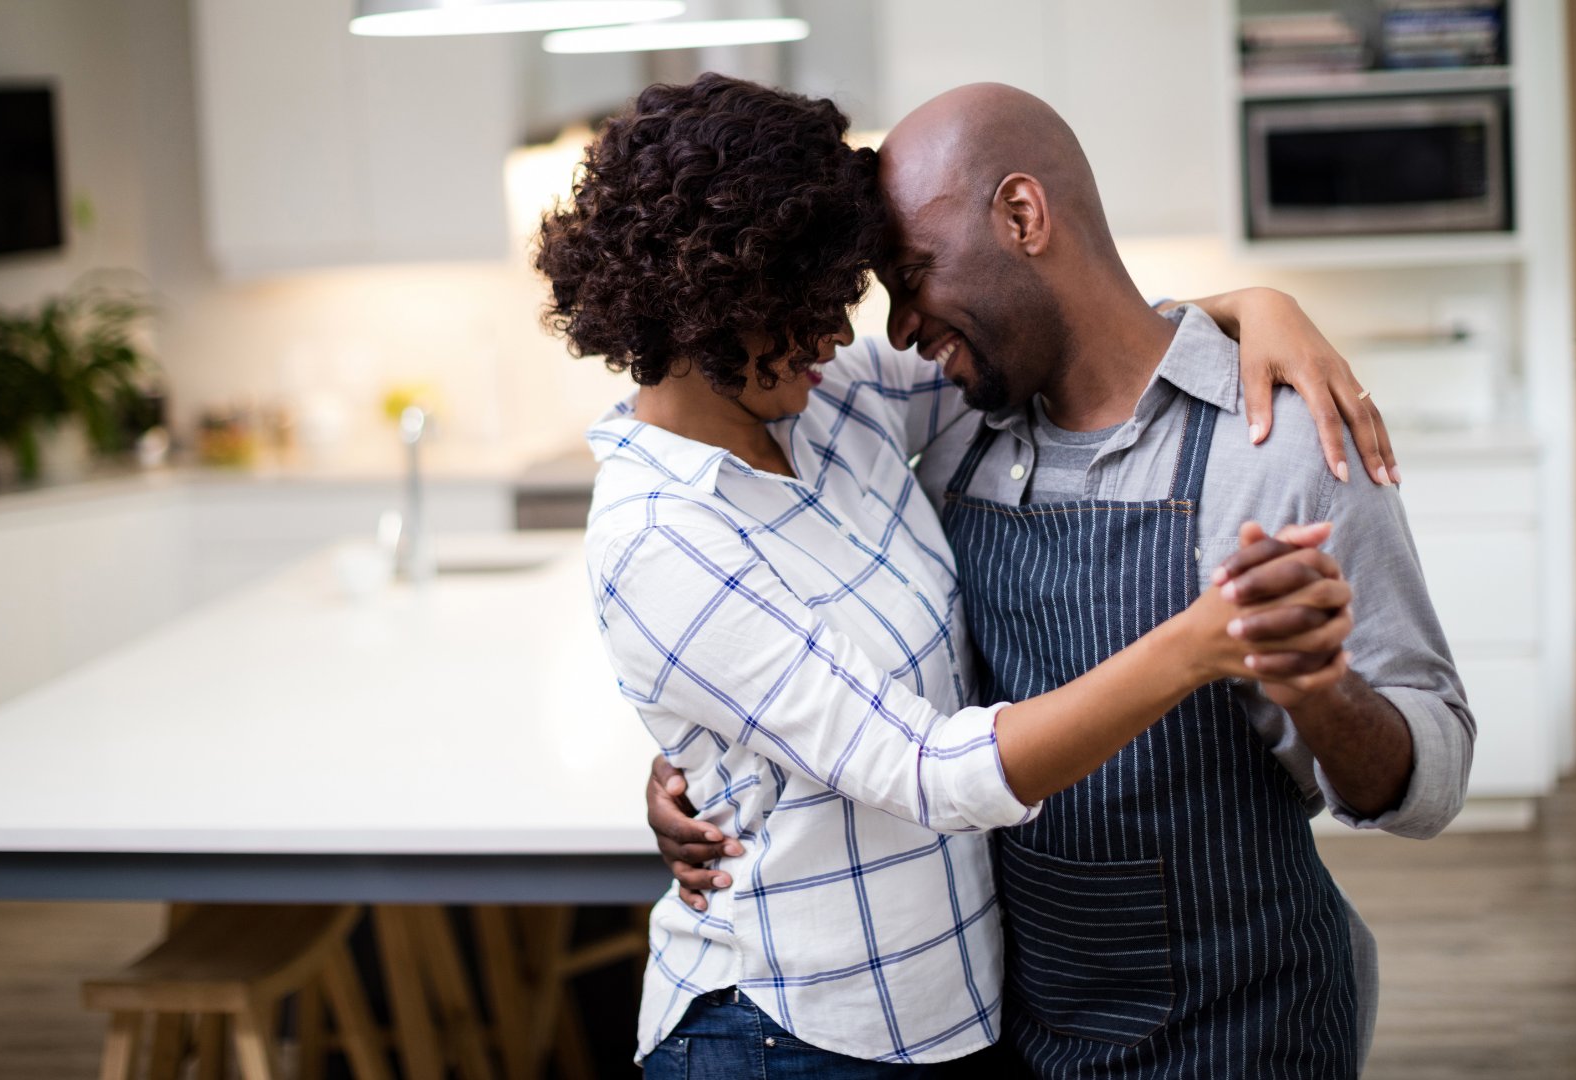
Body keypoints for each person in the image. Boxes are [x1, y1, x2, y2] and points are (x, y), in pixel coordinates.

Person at [545, 75, 1381, 1076]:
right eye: (810, 306)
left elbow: (1051, 331)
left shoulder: (829, 403)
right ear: (714, 303)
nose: (841, 333)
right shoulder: (659, 537)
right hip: (790, 1037)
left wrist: (1252, 306)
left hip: (957, 1012)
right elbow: (925, 770)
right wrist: (1199, 642)